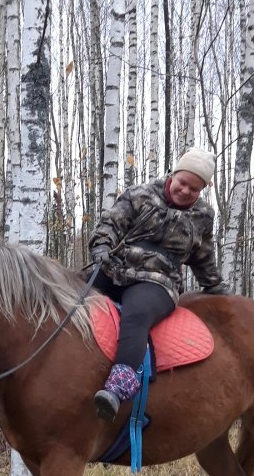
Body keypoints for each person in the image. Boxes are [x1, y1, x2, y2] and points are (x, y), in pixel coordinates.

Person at [88, 146, 229, 421]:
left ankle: (119, 385)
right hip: (117, 268)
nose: (185, 191)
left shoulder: (203, 216)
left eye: (194, 189)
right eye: (183, 182)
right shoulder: (139, 194)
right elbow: (110, 224)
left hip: (158, 281)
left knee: (137, 314)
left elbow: (203, 255)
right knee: (70, 292)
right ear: (173, 175)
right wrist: (102, 246)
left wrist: (213, 284)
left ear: (202, 190)